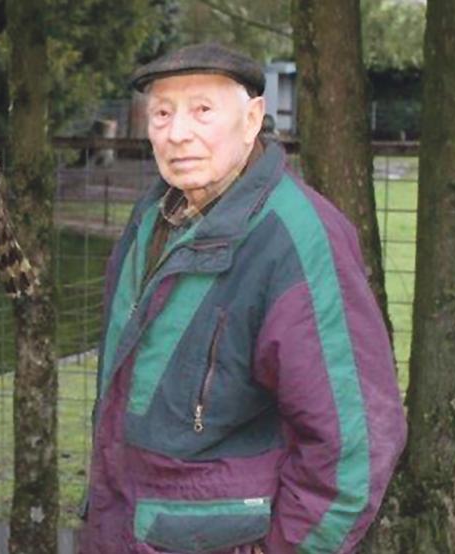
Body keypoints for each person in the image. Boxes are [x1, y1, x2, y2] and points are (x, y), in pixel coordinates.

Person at [79, 43, 407, 554]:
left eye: (202, 110)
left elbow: (353, 455)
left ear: (252, 119)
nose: (177, 132)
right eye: (162, 113)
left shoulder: (297, 238)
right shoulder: (153, 218)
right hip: (122, 530)